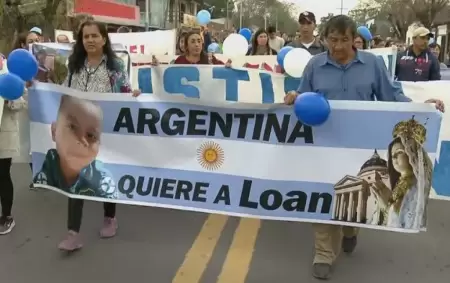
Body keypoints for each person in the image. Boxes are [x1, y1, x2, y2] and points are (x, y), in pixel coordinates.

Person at [284, 15, 444, 280]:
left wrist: (422, 107)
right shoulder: (315, 65)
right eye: (332, 40)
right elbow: (304, 96)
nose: (337, 46)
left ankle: (350, 230)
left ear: (354, 39)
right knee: (324, 196)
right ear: (324, 39)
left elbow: (391, 96)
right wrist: (294, 97)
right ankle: (323, 252)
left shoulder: (372, 64)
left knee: (354, 195)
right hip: (323, 144)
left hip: (359, 145)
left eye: (343, 40)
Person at [52, 20, 140, 252]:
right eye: (85, 37)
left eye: (94, 36)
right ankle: (73, 233)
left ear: (103, 39)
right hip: (76, 130)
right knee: (75, 176)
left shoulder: (115, 66)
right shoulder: (74, 65)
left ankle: (110, 217)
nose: (90, 40)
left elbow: (125, 93)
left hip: (105, 131)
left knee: (104, 173)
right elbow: (64, 91)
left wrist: (134, 95)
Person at [33, 95, 117, 198]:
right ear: (54, 131)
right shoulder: (47, 167)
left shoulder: (103, 180)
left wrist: (137, 98)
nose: (81, 140)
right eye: (72, 127)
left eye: (91, 135)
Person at [0, 61, 28, 235]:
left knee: (2, 175)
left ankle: (6, 216)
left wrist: (8, 100)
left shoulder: (7, 75)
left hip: (4, 135)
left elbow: (21, 102)